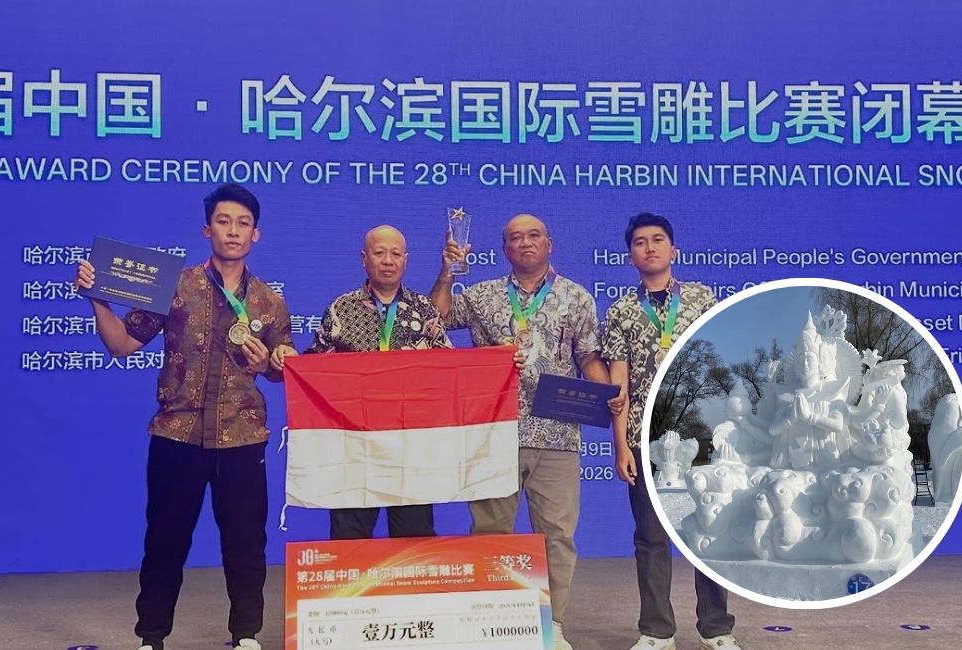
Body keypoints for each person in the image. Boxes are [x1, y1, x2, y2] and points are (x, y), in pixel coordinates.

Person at [74, 184, 292, 650]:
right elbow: (121, 344)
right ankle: (151, 637)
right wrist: (97, 299)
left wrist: (266, 366)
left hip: (241, 438)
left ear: (255, 234)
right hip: (176, 435)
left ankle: (246, 635)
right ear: (206, 229)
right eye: (223, 221)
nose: (232, 231)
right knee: (164, 542)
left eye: (243, 224)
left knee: (246, 545)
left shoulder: (270, 303)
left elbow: (282, 371)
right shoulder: (174, 286)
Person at [431, 213, 614, 650]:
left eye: (534, 235)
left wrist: (607, 393)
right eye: (516, 237)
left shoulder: (576, 296)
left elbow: (588, 356)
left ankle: (553, 625)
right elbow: (434, 318)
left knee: (557, 537)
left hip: (557, 435)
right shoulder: (481, 295)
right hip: (495, 434)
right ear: (504, 249)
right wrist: (447, 272)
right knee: (490, 532)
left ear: (549, 244)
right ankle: (493, 624)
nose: (526, 242)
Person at [601, 213, 742, 650]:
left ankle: (717, 629)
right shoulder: (621, 311)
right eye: (640, 242)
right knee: (651, 539)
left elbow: (723, 365)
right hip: (645, 439)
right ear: (630, 255)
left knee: (710, 532)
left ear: (673, 250)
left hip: (701, 438)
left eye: (658, 239)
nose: (650, 247)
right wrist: (621, 444)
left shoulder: (701, 299)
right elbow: (618, 387)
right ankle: (656, 631)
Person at [271, 225, 451, 539]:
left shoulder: (424, 309)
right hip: (353, 445)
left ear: (406, 260)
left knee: (414, 539)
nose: (388, 260)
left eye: (395, 253)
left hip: (410, 446)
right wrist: (289, 360)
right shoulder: (341, 309)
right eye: (379, 253)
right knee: (349, 540)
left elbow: (448, 368)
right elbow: (315, 367)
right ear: (364, 259)